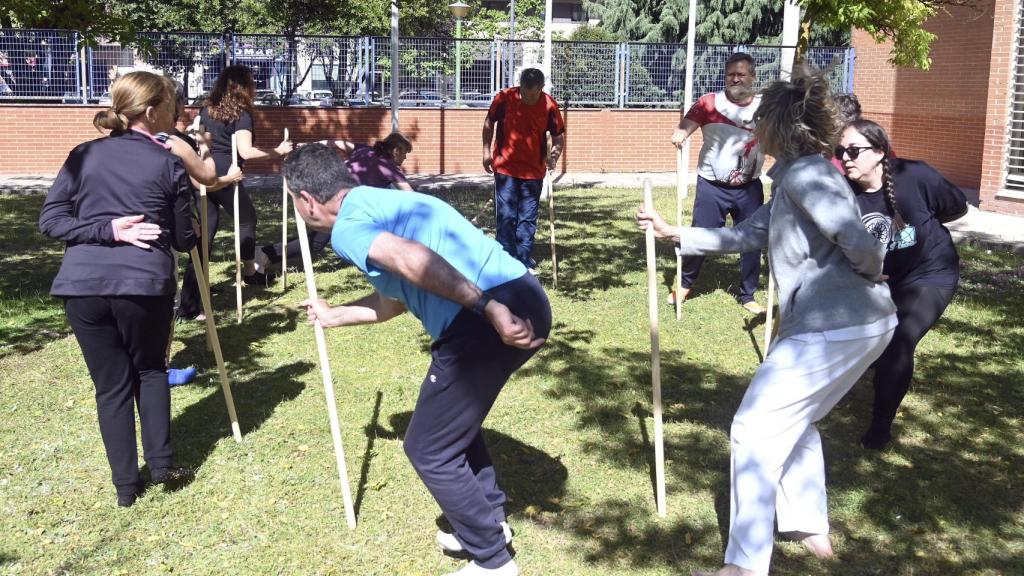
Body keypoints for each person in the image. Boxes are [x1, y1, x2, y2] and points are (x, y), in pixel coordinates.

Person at [640, 68, 897, 576]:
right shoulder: (793, 178)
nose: (753, 129)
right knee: (794, 421)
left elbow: (860, 241)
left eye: (760, 121)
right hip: (850, 327)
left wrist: (870, 273)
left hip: (837, 324)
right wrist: (678, 234)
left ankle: (743, 566)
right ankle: (808, 525)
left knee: (754, 429)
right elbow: (749, 235)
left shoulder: (807, 174)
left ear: (779, 126)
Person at [285, 144, 550, 576]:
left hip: (491, 313)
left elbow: (414, 261)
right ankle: (489, 522)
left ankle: (494, 562)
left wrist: (489, 308)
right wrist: (335, 315)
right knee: (451, 427)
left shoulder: (348, 228)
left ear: (306, 200)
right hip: (521, 296)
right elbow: (395, 299)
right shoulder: (379, 203)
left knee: (428, 447)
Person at [38, 71, 198, 507]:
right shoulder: (167, 160)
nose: (174, 112)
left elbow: (52, 220)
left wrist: (101, 227)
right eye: (169, 106)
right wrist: (113, 229)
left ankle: (128, 488)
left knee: (111, 386)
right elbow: (187, 239)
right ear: (151, 112)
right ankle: (160, 465)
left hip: (82, 289)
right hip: (141, 286)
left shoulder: (82, 155)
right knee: (148, 370)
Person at [838, 119, 968, 449]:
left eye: (854, 150)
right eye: (841, 152)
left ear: (880, 152)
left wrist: (923, 229)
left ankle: (881, 425)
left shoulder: (915, 175)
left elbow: (956, 206)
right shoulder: (842, 193)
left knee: (900, 340)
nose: (846, 158)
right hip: (880, 280)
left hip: (930, 273)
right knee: (869, 341)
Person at [669, 52, 766, 314]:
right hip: (712, 186)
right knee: (699, 235)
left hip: (750, 188)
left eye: (741, 74)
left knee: (753, 240)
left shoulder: (765, 106)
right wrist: (680, 134)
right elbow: (686, 125)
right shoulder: (709, 103)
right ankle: (685, 283)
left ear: (753, 77)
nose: (735, 79)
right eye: (730, 74)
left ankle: (748, 294)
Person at [254, 132, 415, 274]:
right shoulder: (389, 168)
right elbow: (411, 196)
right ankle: (266, 254)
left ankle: (372, 260)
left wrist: (309, 146)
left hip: (325, 188)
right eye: (405, 153)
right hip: (337, 202)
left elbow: (333, 142)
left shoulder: (364, 150)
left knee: (331, 234)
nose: (405, 158)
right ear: (396, 150)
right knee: (317, 242)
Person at [199, 65, 292, 286]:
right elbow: (245, 151)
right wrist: (277, 152)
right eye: (252, 83)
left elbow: (203, 142)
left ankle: (197, 287)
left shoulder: (207, 110)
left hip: (206, 167)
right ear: (243, 87)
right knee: (247, 219)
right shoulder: (241, 114)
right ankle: (250, 272)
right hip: (228, 171)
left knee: (207, 229)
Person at [482, 67, 565, 272]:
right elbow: (489, 123)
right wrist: (486, 151)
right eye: (525, 93)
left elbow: (558, 136)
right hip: (505, 168)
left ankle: (522, 262)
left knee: (527, 218)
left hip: (533, 171)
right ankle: (504, 261)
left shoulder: (549, 105)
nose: (528, 98)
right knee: (506, 216)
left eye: (532, 94)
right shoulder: (504, 98)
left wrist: (554, 156)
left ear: (541, 88)